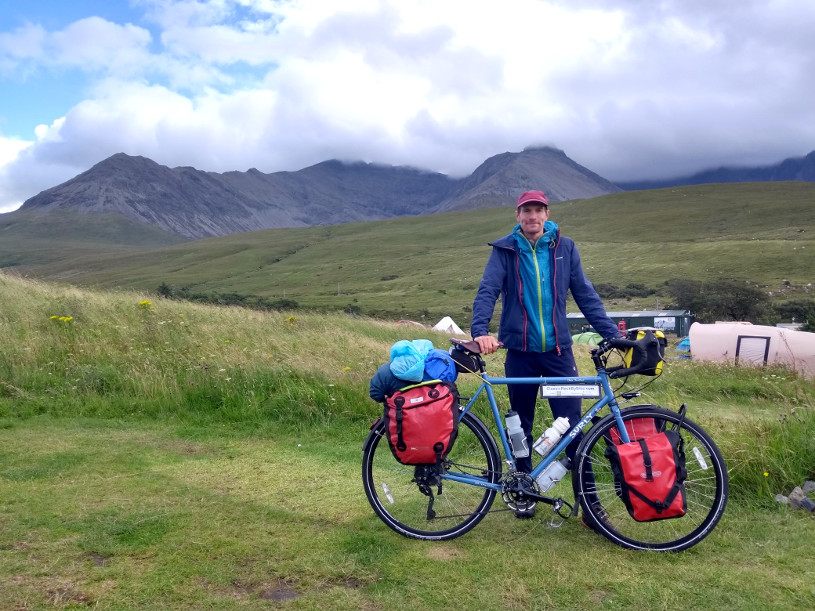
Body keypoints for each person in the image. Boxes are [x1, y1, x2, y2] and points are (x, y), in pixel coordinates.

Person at [470, 190, 620, 517]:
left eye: (538, 210)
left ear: (546, 214)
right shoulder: (505, 250)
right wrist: (480, 331)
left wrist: (613, 335)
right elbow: (488, 290)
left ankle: (591, 505)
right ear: (517, 215)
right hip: (520, 354)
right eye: (526, 211)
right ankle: (523, 490)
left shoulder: (564, 248)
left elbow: (585, 295)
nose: (532, 217)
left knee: (574, 426)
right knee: (519, 424)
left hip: (558, 353)